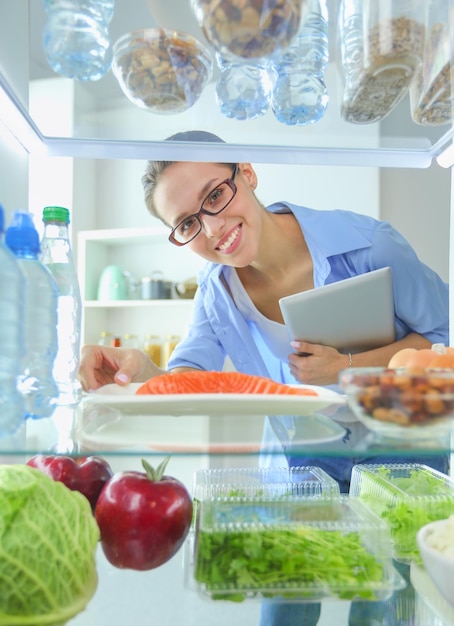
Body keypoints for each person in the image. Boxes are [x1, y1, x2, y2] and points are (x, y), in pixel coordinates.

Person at [78, 130, 449, 624]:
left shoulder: (368, 245)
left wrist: (347, 366)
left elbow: (443, 335)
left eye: (214, 195)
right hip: (302, 461)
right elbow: (191, 376)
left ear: (247, 174)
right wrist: (144, 373)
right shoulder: (217, 293)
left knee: (383, 603)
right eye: (188, 222)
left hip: (397, 454)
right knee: (284, 601)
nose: (211, 230)